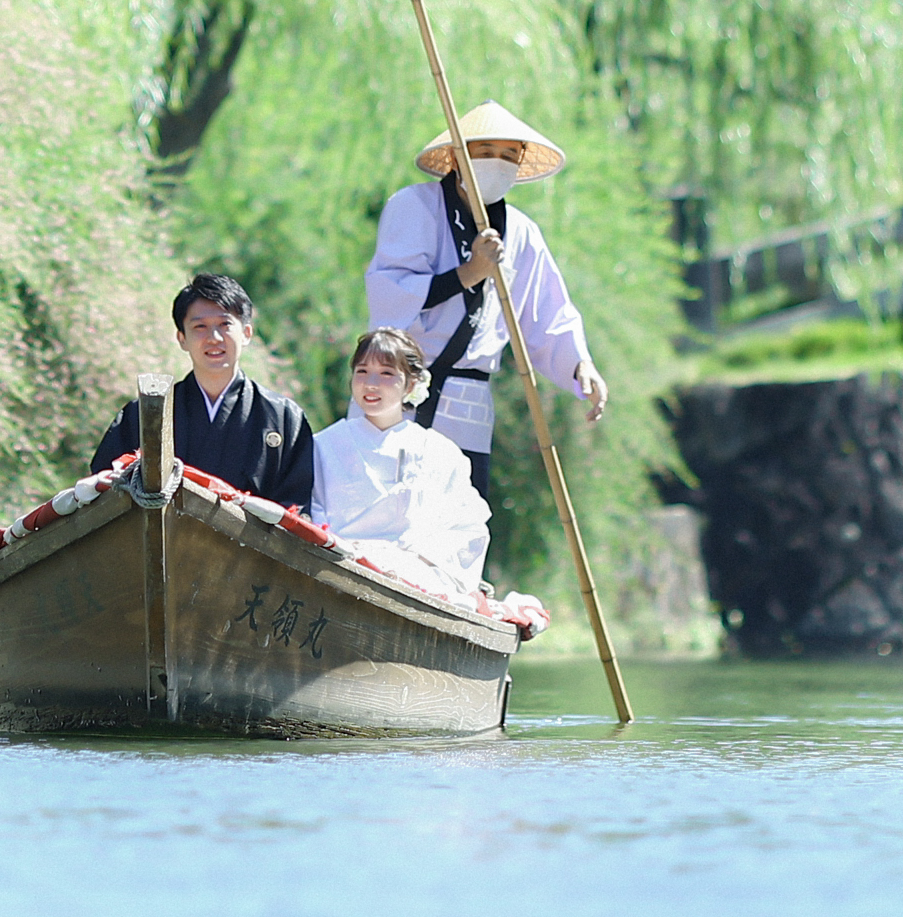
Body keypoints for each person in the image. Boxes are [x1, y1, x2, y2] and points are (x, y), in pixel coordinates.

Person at [364, 101, 607, 507]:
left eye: (510, 155)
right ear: (458, 156)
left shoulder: (523, 233)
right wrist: (469, 273)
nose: (498, 163)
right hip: (400, 384)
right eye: (486, 152)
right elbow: (389, 293)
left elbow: (547, 312)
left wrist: (580, 364)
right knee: (385, 513)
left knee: (461, 520)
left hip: (471, 399)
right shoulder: (413, 206)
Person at [90, 273, 315, 507]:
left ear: (247, 333)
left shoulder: (283, 417)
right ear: (182, 338)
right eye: (200, 327)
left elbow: (296, 505)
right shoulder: (145, 414)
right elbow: (106, 490)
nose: (214, 337)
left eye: (225, 324)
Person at [308, 326, 491, 590]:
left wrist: (407, 559)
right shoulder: (324, 444)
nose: (371, 383)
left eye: (386, 373)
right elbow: (312, 511)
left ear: (410, 384)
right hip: (338, 566)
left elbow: (466, 527)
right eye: (362, 371)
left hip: (414, 576)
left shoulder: (440, 453)